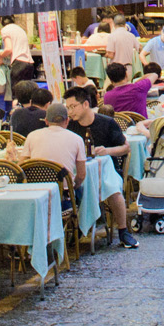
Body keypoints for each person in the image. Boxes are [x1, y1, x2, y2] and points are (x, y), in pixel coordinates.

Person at [65, 88, 138, 249]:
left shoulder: (107, 122)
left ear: (85, 104)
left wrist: (108, 151)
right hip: (81, 173)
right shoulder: (70, 126)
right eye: (67, 108)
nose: (70, 112)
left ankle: (123, 231)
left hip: (109, 170)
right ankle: (77, 228)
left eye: (73, 107)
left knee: (112, 190)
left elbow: (126, 148)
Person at [11, 103, 87, 188]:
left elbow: (21, 166)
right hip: (63, 194)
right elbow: (81, 175)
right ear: (67, 120)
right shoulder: (77, 139)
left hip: (38, 191)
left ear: (46, 121)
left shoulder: (32, 136)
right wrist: (73, 187)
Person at [0, 15, 35, 91]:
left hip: (19, 65)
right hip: (29, 64)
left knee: (16, 93)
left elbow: (8, 49)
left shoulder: (5, 30)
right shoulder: (19, 29)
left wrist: (0, 57)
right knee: (26, 93)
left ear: (1, 20)